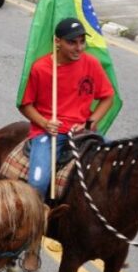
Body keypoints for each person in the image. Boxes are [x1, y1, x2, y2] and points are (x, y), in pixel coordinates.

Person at [19, 17, 115, 199]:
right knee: (38, 183)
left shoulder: (91, 63)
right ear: (57, 42)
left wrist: (90, 123)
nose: (79, 48)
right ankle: (37, 221)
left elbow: (108, 97)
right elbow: (25, 105)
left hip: (82, 132)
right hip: (48, 134)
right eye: (71, 42)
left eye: (82, 42)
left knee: (118, 168)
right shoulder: (41, 68)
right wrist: (45, 123)